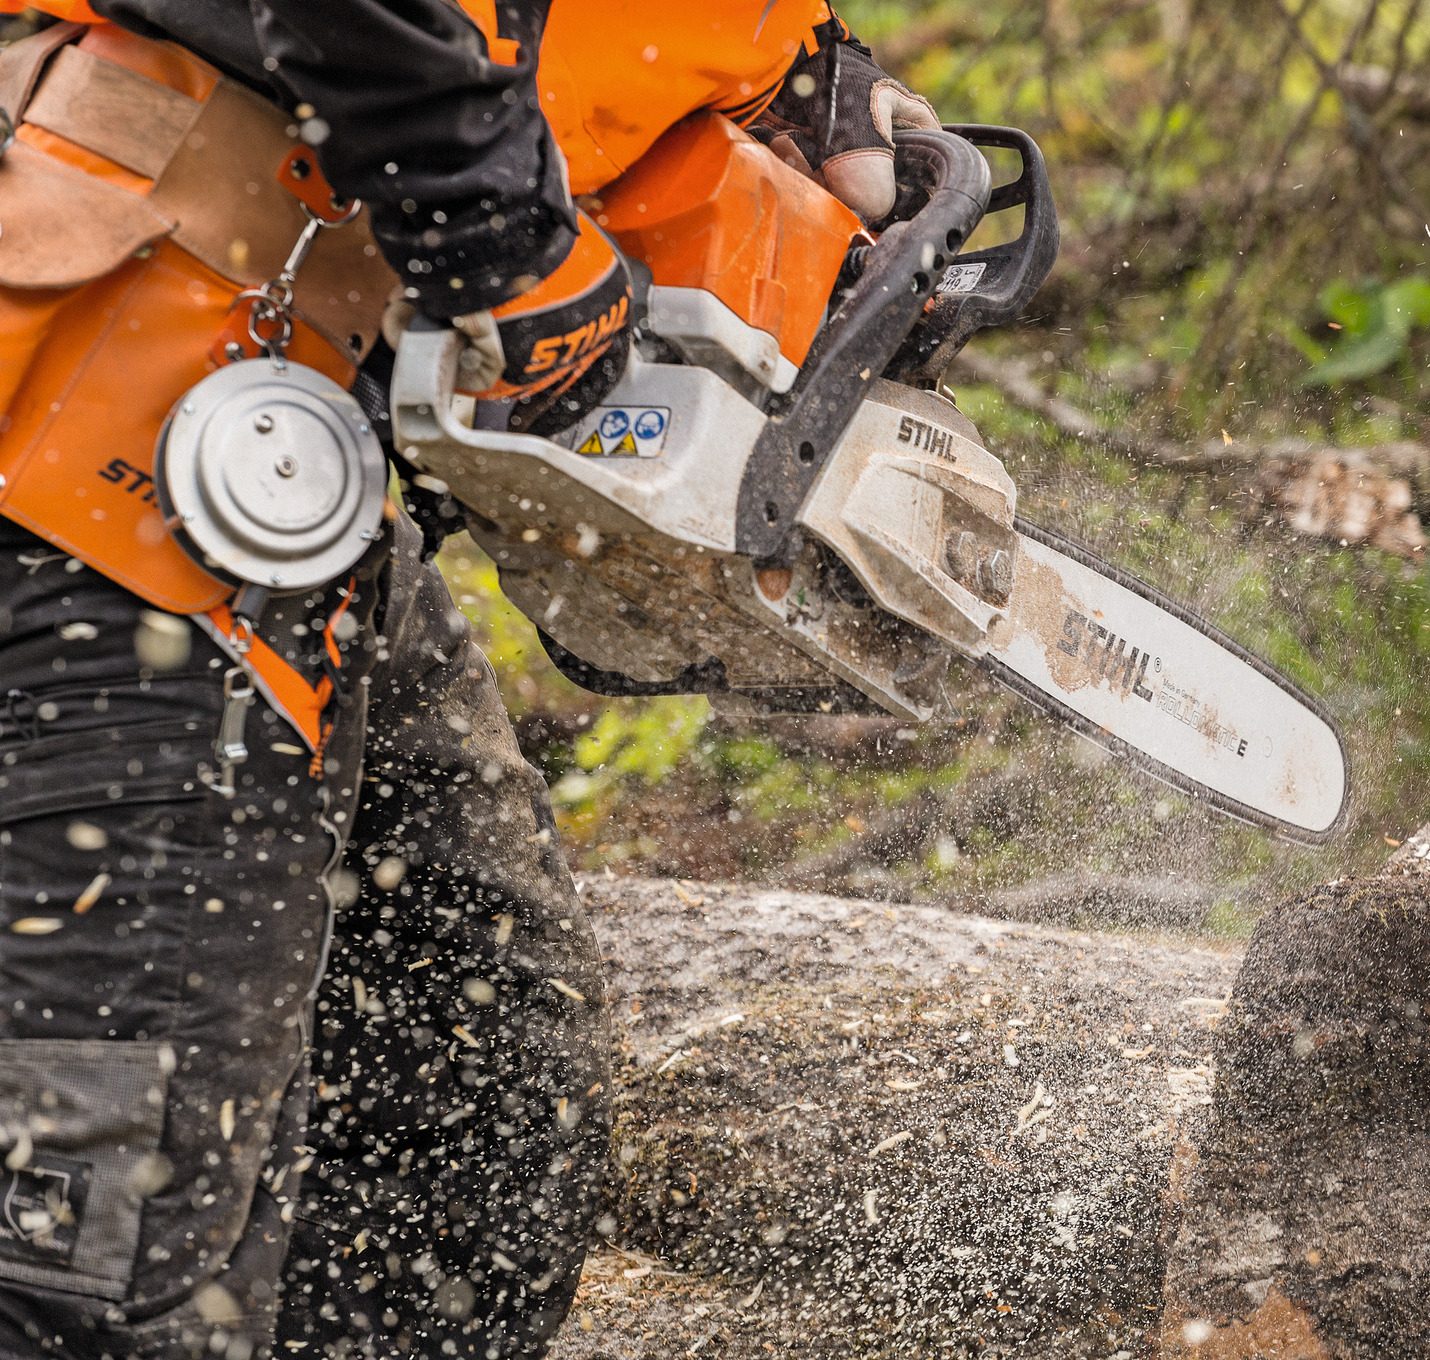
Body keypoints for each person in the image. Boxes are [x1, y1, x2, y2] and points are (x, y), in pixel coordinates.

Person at [0, 3, 936, 1356]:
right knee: (85, 1267)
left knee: (464, 1122)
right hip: (101, 423)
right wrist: (490, 215)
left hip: (279, 443)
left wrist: (795, 70)